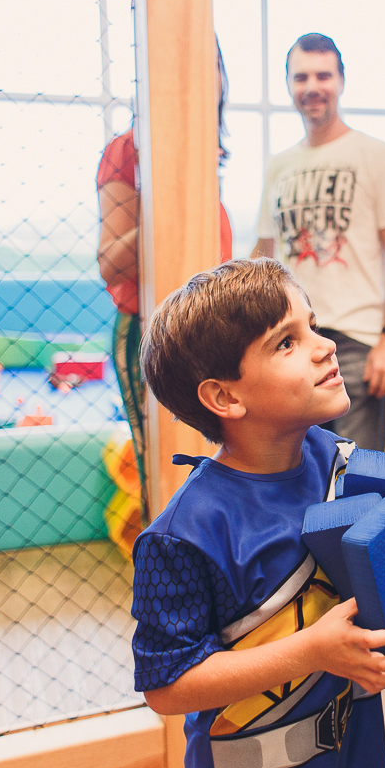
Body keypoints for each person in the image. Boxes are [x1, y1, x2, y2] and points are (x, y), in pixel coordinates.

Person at [131, 258, 385, 768]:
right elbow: (167, 685)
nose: (325, 344)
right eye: (285, 342)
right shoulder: (182, 536)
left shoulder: (341, 458)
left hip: (358, 747)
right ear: (225, 396)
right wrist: (311, 651)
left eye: (311, 324)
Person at [253, 33, 385, 453]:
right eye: (301, 76)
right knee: (300, 471)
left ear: (341, 81)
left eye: (323, 75)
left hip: (359, 343)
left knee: (356, 477)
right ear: (289, 85)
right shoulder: (279, 166)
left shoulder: (376, 155)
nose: (312, 87)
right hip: (291, 339)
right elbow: (264, 256)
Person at [98, 41, 234, 515]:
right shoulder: (126, 152)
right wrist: (163, 193)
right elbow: (109, 263)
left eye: (212, 68)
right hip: (151, 330)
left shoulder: (207, 156)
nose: (203, 80)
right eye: (190, 69)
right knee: (168, 476)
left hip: (212, 333)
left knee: (219, 466)